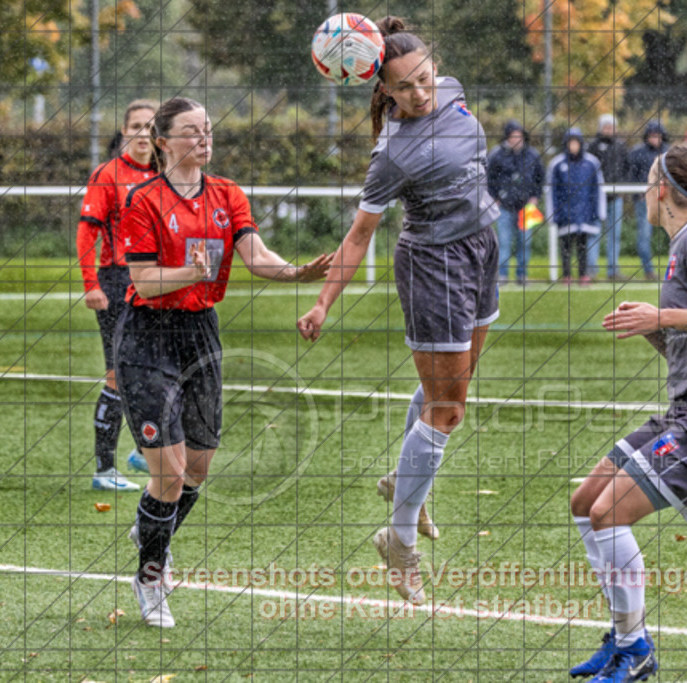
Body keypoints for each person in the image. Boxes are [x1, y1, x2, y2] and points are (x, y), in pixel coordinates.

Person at [297, 16, 500, 606]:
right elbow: (359, 235)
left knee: (454, 389)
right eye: (405, 87)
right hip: (434, 267)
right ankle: (399, 537)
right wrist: (323, 302)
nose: (420, 92)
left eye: (425, 77)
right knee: (447, 410)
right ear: (384, 90)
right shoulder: (392, 152)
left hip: (482, 249)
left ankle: (406, 481)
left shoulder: (454, 92)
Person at [117, 97, 332, 627]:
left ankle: (153, 527)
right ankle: (150, 578)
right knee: (168, 473)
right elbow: (143, 281)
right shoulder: (143, 199)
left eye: (208, 129)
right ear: (163, 142)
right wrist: (191, 273)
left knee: (198, 467)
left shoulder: (227, 194)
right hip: (148, 337)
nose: (204, 138)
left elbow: (255, 254)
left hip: (200, 334)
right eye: (191, 131)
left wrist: (296, 273)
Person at [570, 144, 687, 682]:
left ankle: (636, 651)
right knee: (585, 502)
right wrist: (656, 329)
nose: (644, 193)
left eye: (648, 182)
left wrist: (662, 314)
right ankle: (623, 636)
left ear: (664, 191)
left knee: (609, 514)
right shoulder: (684, 244)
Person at [76, 99, 158, 492]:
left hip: (154, 282)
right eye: (136, 126)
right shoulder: (108, 174)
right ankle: (104, 469)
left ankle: (143, 451)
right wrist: (90, 284)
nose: (144, 134)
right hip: (116, 282)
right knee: (118, 375)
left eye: (151, 127)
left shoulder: (164, 173)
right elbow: (86, 232)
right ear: (125, 132)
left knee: (155, 369)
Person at [486, 119, 544, 285]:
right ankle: (502, 275)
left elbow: (540, 178)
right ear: (507, 137)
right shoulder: (496, 155)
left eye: (519, 136)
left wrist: (535, 196)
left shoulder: (532, 155)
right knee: (503, 243)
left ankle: (522, 275)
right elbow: (488, 179)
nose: (516, 140)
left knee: (524, 243)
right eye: (513, 136)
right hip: (504, 207)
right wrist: (494, 198)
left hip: (526, 208)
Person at [546, 127, 605, 285]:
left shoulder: (591, 163)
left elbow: (597, 189)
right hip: (564, 215)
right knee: (565, 246)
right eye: (570, 143)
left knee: (582, 246)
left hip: (585, 214)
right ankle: (566, 275)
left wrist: (598, 212)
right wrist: (553, 214)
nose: (573, 146)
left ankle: (583, 275)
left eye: (576, 143)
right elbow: (552, 191)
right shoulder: (557, 164)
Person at [587, 114, 629, 280]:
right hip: (596, 199)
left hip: (615, 197)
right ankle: (591, 270)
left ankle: (613, 270)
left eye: (611, 127)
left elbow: (626, 168)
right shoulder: (592, 147)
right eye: (606, 127)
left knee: (614, 235)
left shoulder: (621, 146)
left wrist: (622, 187)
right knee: (594, 233)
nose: (609, 130)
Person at [626, 121, 669, 280]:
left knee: (676, 234)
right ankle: (648, 271)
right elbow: (631, 176)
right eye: (652, 135)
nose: (655, 138)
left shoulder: (668, 153)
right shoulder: (637, 153)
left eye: (657, 135)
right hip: (645, 201)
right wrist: (639, 194)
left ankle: (676, 270)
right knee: (644, 236)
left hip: (667, 200)